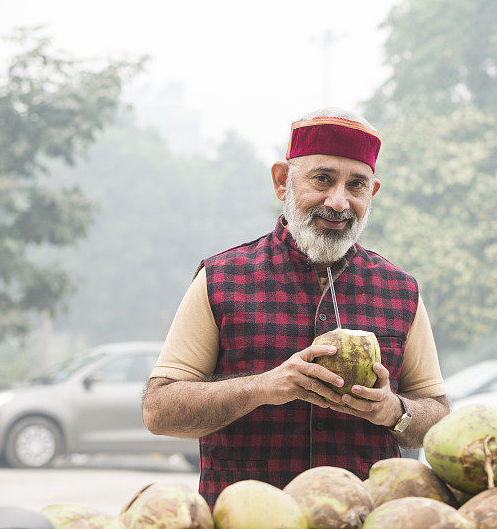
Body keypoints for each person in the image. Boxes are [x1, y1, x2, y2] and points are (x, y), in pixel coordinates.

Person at [142, 107, 449, 507]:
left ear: (371, 194)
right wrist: (265, 386)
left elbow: (439, 418)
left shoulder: (400, 291)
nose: (338, 202)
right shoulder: (221, 279)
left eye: (356, 185)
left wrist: (394, 410)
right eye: (322, 179)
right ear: (282, 181)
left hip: (359, 518)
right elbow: (159, 410)